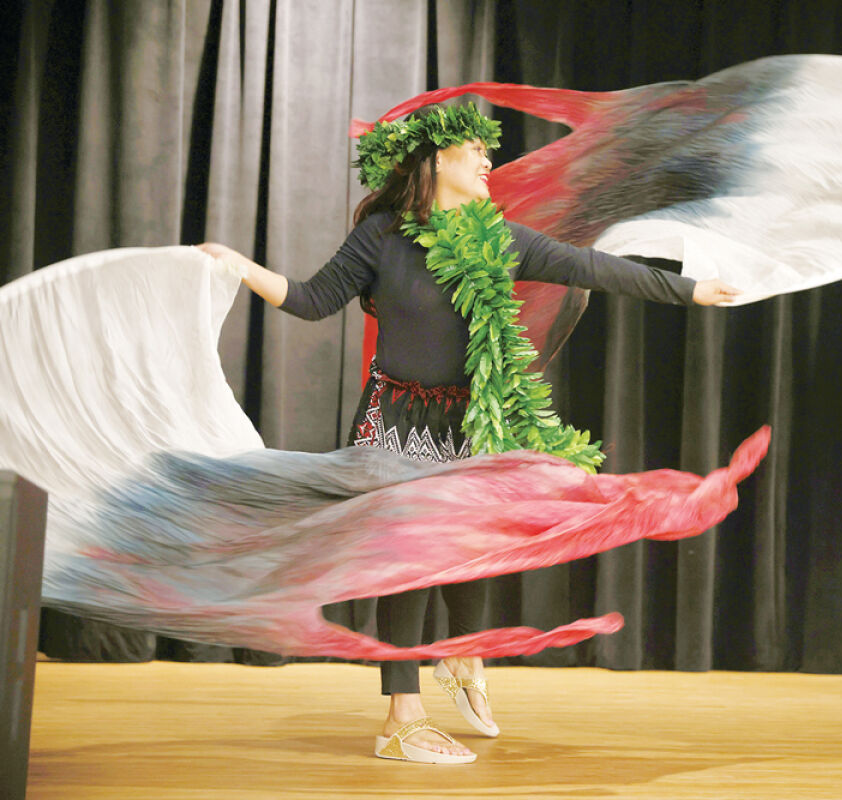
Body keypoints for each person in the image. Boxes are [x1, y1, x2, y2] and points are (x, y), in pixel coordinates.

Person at [198, 102, 740, 764]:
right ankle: (401, 717)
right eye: (476, 149)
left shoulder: (502, 239)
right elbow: (311, 301)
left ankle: (462, 658)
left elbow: (593, 268)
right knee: (407, 561)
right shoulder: (381, 237)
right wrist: (236, 265)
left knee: (468, 551)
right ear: (434, 161)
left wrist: (689, 291)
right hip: (394, 422)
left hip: (471, 420)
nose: (488, 159)